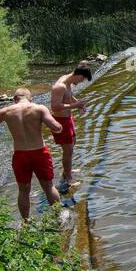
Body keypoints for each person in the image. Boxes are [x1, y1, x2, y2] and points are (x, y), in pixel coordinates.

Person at [0, 88, 66, 220]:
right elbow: (56, 128)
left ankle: (26, 222)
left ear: (14, 99)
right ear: (30, 98)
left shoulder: (5, 111)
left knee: (23, 190)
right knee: (48, 186)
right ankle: (59, 216)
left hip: (20, 155)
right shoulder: (39, 109)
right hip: (39, 152)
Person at [50, 63, 93, 193]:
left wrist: (78, 104)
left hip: (68, 119)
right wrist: (75, 105)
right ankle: (68, 178)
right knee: (68, 150)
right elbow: (54, 106)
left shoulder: (68, 81)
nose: (80, 83)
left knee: (72, 144)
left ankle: (66, 171)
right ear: (78, 75)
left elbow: (68, 97)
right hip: (60, 121)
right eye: (82, 80)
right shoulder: (60, 86)